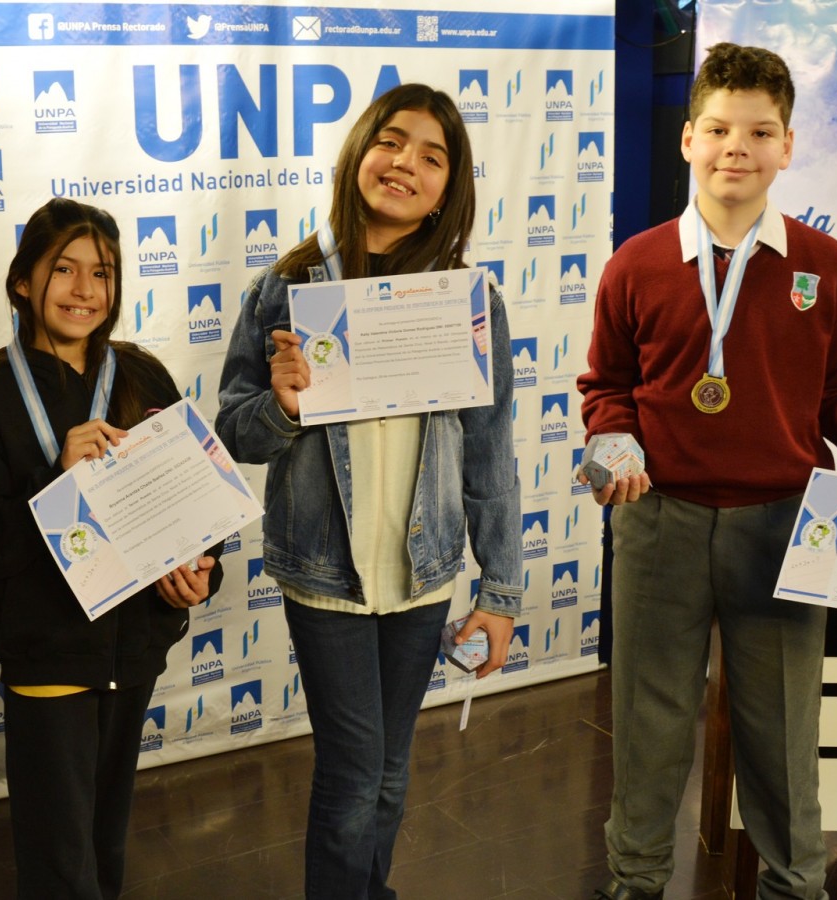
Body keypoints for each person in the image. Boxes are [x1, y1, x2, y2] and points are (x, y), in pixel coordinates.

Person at [575, 44, 837, 900]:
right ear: (689, 139)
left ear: (789, 147)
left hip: (788, 522)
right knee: (651, 722)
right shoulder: (638, 263)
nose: (739, 146)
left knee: (780, 729)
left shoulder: (825, 265)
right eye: (721, 129)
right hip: (660, 520)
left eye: (760, 131)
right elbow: (608, 388)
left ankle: (796, 886)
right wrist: (614, 443)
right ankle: (634, 882)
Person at [215, 83, 522, 899]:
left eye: (433, 156)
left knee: (389, 772)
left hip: (422, 573)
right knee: (354, 774)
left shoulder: (468, 300)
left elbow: (490, 455)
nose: (406, 165)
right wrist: (280, 404)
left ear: (448, 188)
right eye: (393, 142)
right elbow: (234, 433)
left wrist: (501, 591)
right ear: (359, 152)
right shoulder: (285, 287)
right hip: (327, 575)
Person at [0, 198, 223, 900]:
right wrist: (55, 482)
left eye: (101, 273)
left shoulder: (143, 375)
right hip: (48, 651)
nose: (83, 290)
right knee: (60, 862)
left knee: (105, 842)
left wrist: (197, 573)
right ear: (22, 284)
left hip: (133, 649)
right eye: (63, 269)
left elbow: (196, 505)